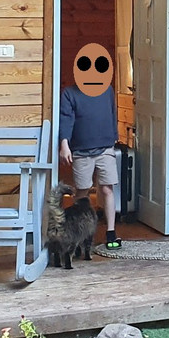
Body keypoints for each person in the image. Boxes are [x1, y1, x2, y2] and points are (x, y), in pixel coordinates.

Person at [58, 42, 121, 249]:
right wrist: (64, 144)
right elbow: (65, 119)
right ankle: (80, 233)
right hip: (81, 151)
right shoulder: (69, 94)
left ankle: (111, 233)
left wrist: (113, 138)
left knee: (107, 189)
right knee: (82, 193)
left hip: (105, 148)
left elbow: (112, 114)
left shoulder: (107, 91)